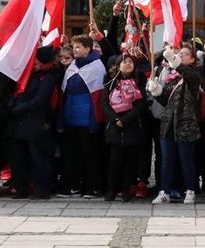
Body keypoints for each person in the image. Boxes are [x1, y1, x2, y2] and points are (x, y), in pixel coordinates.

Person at [148, 46, 201, 205]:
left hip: (185, 123)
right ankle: (165, 191)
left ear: (192, 59)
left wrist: (173, 59)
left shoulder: (193, 75)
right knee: (167, 159)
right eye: (179, 54)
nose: (180, 56)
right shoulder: (173, 77)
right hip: (168, 122)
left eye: (184, 54)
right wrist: (157, 92)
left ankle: (190, 190)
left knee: (186, 159)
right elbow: (166, 100)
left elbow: (188, 74)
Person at [58, 35, 106, 198]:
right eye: (74, 47)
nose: (75, 50)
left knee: (90, 154)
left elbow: (98, 96)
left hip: (88, 118)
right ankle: (74, 185)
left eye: (78, 47)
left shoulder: (97, 66)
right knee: (73, 153)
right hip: (71, 116)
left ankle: (92, 186)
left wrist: (95, 118)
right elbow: (65, 91)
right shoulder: (72, 65)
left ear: (87, 48)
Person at [7, 46, 56, 199]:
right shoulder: (27, 76)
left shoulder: (47, 77)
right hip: (19, 123)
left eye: (36, 62)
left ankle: (42, 188)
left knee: (38, 156)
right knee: (19, 157)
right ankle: (21, 186)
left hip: (35, 122)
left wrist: (19, 109)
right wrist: (12, 106)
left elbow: (40, 100)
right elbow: (17, 93)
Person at [102, 54, 147, 202]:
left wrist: (126, 120)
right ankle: (111, 190)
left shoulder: (139, 80)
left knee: (130, 161)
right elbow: (104, 103)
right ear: (118, 65)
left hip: (132, 124)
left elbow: (142, 104)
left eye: (130, 62)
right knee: (115, 160)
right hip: (114, 126)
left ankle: (127, 189)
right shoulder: (111, 81)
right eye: (124, 62)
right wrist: (115, 119)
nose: (128, 64)